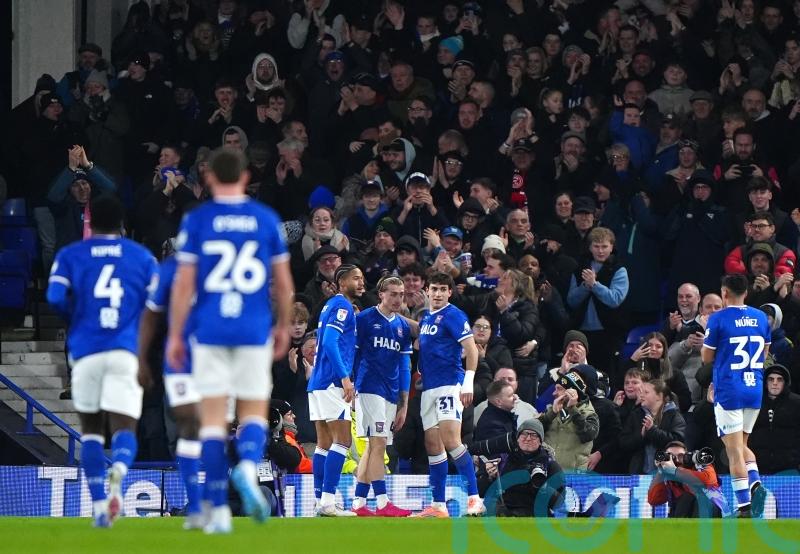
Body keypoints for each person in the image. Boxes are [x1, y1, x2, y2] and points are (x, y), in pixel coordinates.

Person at [166, 148, 294, 533]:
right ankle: (249, 467)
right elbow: (283, 285)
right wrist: (283, 326)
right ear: (245, 178)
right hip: (253, 330)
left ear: (208, 179)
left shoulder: (197, 220)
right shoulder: (265, 219)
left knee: (214, 422)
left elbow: (183, 285)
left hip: (210, 331)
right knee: (252, 412)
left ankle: (218, 508)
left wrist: (176, 334)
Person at [46, 194, 158, 527]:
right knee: (125, 427)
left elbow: (54, 297)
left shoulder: (71, 254)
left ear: (90, 221)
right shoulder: (141, 256)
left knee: (92, 432)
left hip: (86, 352)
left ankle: (98, 506)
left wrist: (78, 317)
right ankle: (119, 472)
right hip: (124, 351)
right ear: (122, 223)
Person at [137, 244, 203, 529]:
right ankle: (195, 497)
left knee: (187, 433)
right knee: (180, 433)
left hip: (182, 367)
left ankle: (201, 498)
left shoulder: (172, 274)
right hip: (184, 367)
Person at [413, 272, 484, 517]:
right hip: (429, 388)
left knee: (451, 440)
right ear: (427, 291)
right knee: (433, 444)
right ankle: (438, 505)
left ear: (450, 292)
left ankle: (475, 498)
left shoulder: (454, 315)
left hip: (449, 384)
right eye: (434, 289)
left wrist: (468, 381)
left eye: (443, 289)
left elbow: (471, 349)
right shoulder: (426, 318)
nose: (438, 293)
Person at [701, 273, 771, 518]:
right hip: (754, 387)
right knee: (742, 445)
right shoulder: (761, 317)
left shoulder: (718, 318)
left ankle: (744, 506)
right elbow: (764, 352)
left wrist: (710, 334)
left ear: (724, 293)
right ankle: (755, 484)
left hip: (730, 389)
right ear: (746, 293)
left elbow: (706, 357)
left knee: (733, 451)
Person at [351, 276, 413, 517]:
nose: (398, 299)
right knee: (378, 445)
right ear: (381, 294)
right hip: (369, 387)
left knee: (373, 446)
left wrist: (404, 404)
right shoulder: (365, 319)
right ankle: (382, 502)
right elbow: (353, 355)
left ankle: (358, 502)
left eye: (401, 294)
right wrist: (352, 384)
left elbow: (404, 366)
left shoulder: (403, 327)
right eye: (393, 294)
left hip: (391, 392)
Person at [307, 264, 365, 517]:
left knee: (324, 444)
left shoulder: (329, 305)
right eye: (356, 278)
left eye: (362, 278)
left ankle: (319, 500)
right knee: (343, 441)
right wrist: (344, 378)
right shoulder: (342, 306)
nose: (361, 283)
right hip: (332, 381)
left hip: (318, 382)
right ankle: (329, 502)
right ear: (342, 283)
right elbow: (330, 342)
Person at [470, 418, 565, 517]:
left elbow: (560, 503)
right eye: (524, 434)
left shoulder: (549, 464)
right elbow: (479, 491)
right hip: (504, 513)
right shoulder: (502, 459)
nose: (528, 438)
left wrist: (542, 488)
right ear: (517, 438)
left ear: (540, 441)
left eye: (534, 435)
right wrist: (489, 477)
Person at [648, 440, 726, 518]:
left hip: (709, 510)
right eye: (671, 456)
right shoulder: (667, 474)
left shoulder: (700, 461)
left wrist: (675, 471)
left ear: (686, 456)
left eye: (680, 456)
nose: (676, 460)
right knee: (686, 498)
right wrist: (661, 471)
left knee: (697, 499)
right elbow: (654, 500)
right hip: (683, 511)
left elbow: (708, 480)